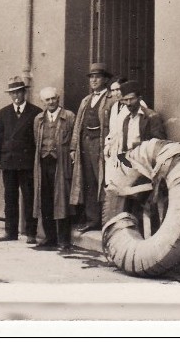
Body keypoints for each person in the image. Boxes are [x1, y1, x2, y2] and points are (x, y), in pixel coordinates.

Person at [102, 80, 166, 227]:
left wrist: (138, 149)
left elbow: (159, 145)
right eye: (125, 99)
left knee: (147, 209)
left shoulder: (151, 117)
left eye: (132, 98)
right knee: (128, 207)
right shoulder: (125, 120)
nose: (129, 103)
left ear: (140, 98)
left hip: (146, 170)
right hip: (130, 170)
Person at [0, 76, 40, 243]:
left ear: (24, 92)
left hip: (27, 163)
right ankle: (10, 232)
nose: (16, 96)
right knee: (10, 198)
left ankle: (30, 233)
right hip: (9, 162)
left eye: (19, 92)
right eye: (12, 93)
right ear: (10, 95)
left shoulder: (36, 112)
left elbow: (37, 140)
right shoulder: (3, 113)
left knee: (29, 198)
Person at [68, 62, 113, 233]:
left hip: (101, 145)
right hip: (85, 144)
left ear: (105, 79)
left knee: (102, 181)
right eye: (92, 77)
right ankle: (91, 219)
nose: (94, 80)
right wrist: (73, 148)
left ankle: (105, 220)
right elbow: (78, 125)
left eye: (98, 77)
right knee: (87, 182)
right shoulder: (86, 100)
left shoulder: (111, 99)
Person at [32, 87, 76, 252]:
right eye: (47, 100)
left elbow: (74, 140)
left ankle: (63, 239)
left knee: (62, 200)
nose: (51, 102)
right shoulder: (39, 119)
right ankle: (49, 238)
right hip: (43, 163)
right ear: (42, 102)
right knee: (46, 200)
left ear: (58, 99)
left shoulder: (69, 116)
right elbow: (37, 140)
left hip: (61, 164)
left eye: (53, 99)